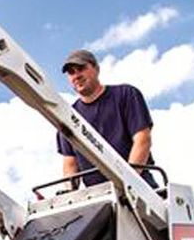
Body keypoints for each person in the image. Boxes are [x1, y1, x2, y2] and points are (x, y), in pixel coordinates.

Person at [56, 48, 156, 187]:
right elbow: (70, 164)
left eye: (81, 68)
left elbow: (142, 140)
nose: (76, 75)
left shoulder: (125, 95)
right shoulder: (69, 117)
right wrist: (69, 194)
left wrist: (129, 184)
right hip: (99, 198)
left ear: (96, 69)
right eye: (71, 72)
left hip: (140, 189)